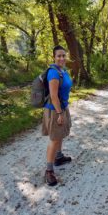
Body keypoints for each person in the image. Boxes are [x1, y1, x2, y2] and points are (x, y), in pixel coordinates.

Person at [41, 45, 73, 186]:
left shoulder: (63, 70)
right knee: (54, 138)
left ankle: (58, 157)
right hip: (55, 110)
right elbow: (53, 96)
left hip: (62, 107)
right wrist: (60, 113)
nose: (61, 58)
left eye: (63, 55)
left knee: (60, 133)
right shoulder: (53, 73)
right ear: (54, 57)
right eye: (58, 55)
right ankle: (48, 171)